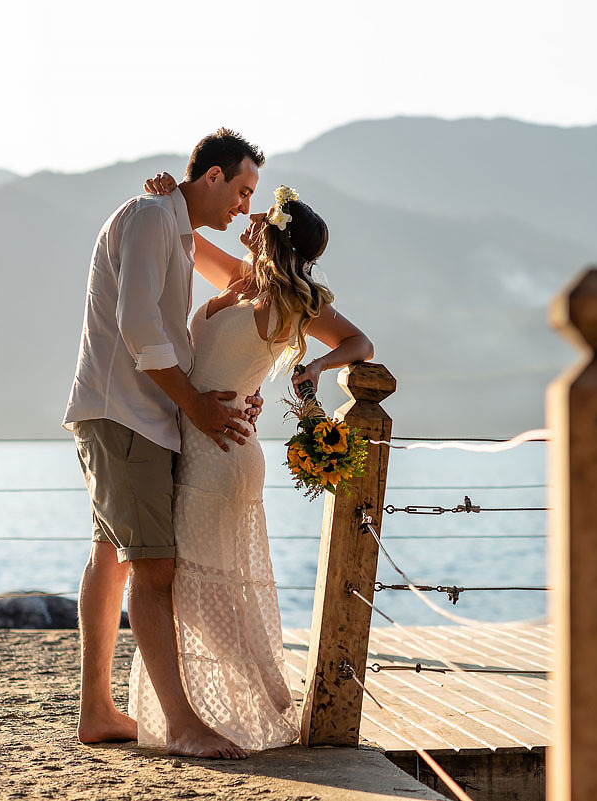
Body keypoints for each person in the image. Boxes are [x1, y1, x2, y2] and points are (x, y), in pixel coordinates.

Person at [128, 171, 373, 751]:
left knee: (200, 585)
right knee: (213, 583)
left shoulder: (288, 301)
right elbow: (189, 244)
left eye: (263, 215)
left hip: (220, 453)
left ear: (275, 236)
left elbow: (361, 345)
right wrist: (170, 200)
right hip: (208, 443)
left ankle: (268, 698)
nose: (251, 216)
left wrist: (314, 369)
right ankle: (270, 692)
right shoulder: (249, 284)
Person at [64, 129, 266, 760]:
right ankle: (183, 724)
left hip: (127, 415)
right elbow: (139, 327)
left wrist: (224, 393)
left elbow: (179, 329)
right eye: (241, 190)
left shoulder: (169, 226)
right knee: (155, 571)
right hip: (129, 418)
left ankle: (97, 711)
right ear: (211, 177)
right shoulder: (153, 217)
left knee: (112, 556)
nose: (242, 207)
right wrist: (198, 408)